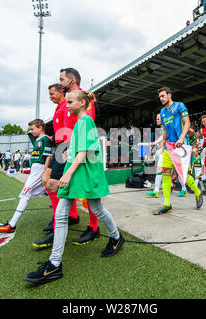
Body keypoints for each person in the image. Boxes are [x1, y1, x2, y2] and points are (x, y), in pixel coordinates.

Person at [24, 90, 124, 285]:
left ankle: (115, 238)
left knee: (93, 209)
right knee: (77, 212)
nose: (67, 105)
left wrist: (67, 173)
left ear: (82, 103)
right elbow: (80, 147)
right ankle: (55, 263)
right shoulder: (80, 123)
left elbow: (86, 151)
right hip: (80, 171)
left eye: (70, 102)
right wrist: (68, 152)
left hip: (81, 172)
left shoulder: (85, 121)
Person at [34, 69, 100, 248]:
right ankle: (66, 221)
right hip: (63, 147)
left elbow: (86, 126)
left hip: (73, 148)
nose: (59, 82)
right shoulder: (66, 103)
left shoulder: (82, 100)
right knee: (54, 184)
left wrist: (70, 147)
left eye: (61, 79)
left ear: (71, 80)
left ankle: (93, 227)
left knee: (87, 190)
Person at [0, 119, 52, 233]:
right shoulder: (38, 140)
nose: (31, 131)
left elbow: (48, 156)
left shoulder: (44, 139)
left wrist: (45, 172)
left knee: (25, 194)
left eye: (32, 129)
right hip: (35, 170)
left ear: (40, 128)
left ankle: (12, 224)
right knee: (47, 191)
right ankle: (64, 213)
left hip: (39, 170)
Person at [153, 87, 203, 215]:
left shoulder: (180, 106)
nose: (161, 99)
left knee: (183, 175)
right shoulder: (162, 111)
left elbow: (187, 123)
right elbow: (164, 130)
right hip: (168, 146)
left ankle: (197, 192)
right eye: (160, 97)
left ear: (169, 95)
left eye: (163, 96)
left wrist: (181, 138)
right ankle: (166, 204)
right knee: (165, 171)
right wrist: (163, 145)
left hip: (181, 145)